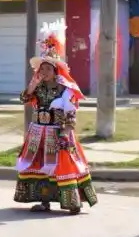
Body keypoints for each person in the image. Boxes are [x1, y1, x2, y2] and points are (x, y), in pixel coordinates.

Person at [14, 19, 98, 214]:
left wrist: (65, 133)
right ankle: (44, 201)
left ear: (55, 71)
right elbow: (24, 99)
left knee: (62, 165)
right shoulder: (38, 87)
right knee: (39, 165)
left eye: (47, 69)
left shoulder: (65, 90)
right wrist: (32, 86)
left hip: (57, 131)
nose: (43, 72)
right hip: (37, 132)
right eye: (41, 69)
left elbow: (71, 113)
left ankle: (72, 202)